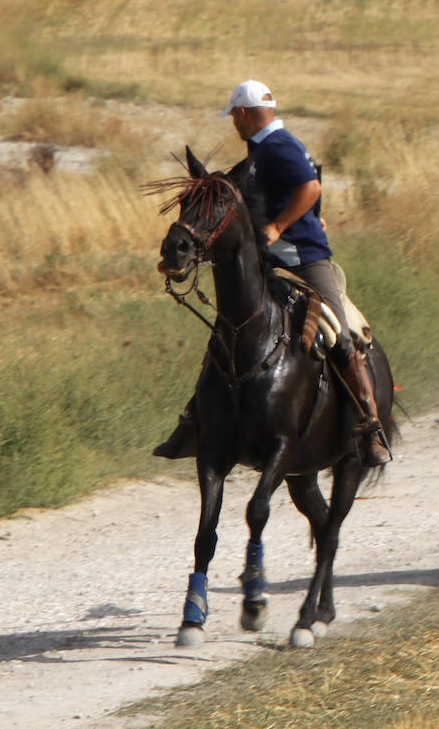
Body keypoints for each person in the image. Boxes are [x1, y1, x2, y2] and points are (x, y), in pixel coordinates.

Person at [154, 79, 391, 466]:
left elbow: (310, 186)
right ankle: (196, 418)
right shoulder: (262, 151)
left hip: (304, 260)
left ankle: (370, 424)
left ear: (244, 114)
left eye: (234, 115)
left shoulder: (278, 146)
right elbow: (303, 188)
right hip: (269, 262)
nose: (233, 122)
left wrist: (281, 226)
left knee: (342, 334)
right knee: (227, 333)